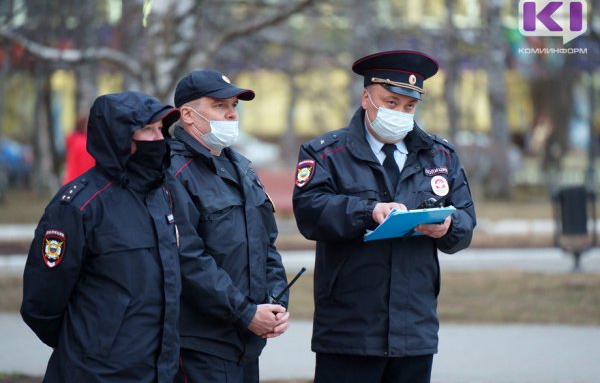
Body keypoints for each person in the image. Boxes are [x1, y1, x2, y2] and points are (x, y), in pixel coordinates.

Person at [292, 50, 476, 383]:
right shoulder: (326, 153)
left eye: (409, 106)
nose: (400, 114)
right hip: (349, 329)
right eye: (390, 103)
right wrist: (368, 211)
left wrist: (448, 226)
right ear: (366, 98)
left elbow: (466, 222)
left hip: (414, 328)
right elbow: (309, 211)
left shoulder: (440, 155)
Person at [21, 91, 183, 382]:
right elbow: (42, 303)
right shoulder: (78, 205)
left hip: (159, 371)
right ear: (118, 137)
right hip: (95, 373)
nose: (159, 138)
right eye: (147, 129)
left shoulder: (162, 195)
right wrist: (90, 347)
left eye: (161, 129)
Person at [169, 70, 290, 383]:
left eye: (234, 105)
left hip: (246, 342)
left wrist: (274, 302)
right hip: (200, 343)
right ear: (187, 114)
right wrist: (246, 313)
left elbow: (266, 244)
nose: (231, 113)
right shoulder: (172, 171)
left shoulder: (240, 167)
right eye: (219, 105)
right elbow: (188, 259)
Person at [62, 114, 95, 184]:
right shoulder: (85, 144)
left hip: (69, 182)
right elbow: (89, 166)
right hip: (82, 184)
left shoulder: (73, 139)